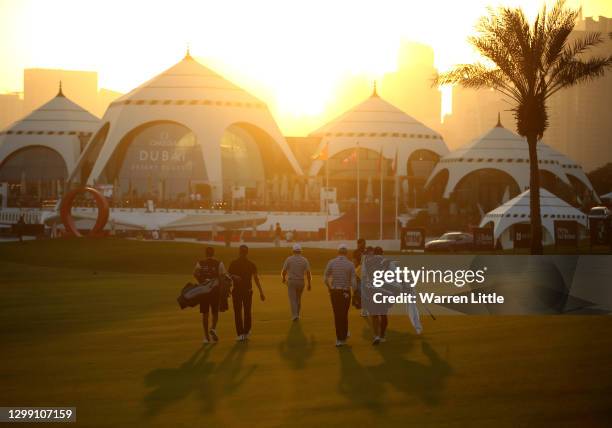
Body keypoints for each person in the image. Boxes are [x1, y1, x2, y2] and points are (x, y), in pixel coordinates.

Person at [228, 245, 265, 341]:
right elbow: (256, 279)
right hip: (247, 291)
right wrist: (261, 292)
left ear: (239, 252)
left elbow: (228, 276)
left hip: (237, 291)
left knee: (238, 312)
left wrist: (233, 276)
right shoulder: (251, 264)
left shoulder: (234, 263)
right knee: (247, 312)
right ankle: (246, 332)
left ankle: (240, 334)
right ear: (247, 252)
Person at [324, 243, 357, 347]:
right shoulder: (350, 264)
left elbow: (325, 277)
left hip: (335, 292)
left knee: (337, 315)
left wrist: (329, 288)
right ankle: (344, 336)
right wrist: (354, 292)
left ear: (337, 252)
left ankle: (339, 339)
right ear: (346, 253)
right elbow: (354, 282)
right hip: (345, 292)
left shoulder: (331, 262)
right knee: (344, 314)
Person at [193, 247, 226, 344]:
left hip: (204, 291)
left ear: (205, 253)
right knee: (215, 312)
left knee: (205, 314)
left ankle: (206, 337)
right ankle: (213, 328)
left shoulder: (200, 263)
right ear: (213, 253)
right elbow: (222, 276)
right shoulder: (219, 263)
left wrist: (201, 281)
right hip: (215, 291)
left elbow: (195, 273)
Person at [361, 246, 390, 345]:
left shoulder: (367, 261)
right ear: (382, 253)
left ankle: (376, 336)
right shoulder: (387, 261)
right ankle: (382, 336)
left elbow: (363, 276)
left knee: (374, 314)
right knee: (383, 314)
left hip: (372, 290)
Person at [281, 244, 312, 321]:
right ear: (300, 251)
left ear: (293, 251)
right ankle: (297, 314)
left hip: (292, 281)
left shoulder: (289, 259)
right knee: (298, 299)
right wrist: (309, 283)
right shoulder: (304, 260)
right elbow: (308, 272)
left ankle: (295, 316)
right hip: (301, 282)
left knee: (293, 300)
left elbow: (284, 271)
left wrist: (284, 278)